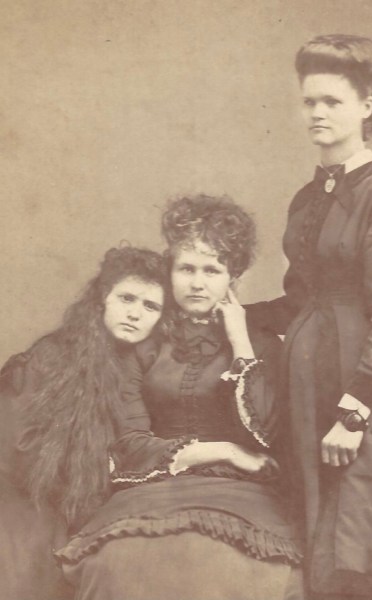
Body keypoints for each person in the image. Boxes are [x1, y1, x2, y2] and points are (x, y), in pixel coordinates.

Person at [245, 34, 372, 599]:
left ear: (367, 106)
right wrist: (229, 314)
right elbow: (297, 300)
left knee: (357, 552)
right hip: (315, 382)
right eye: (310, 101)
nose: (317, 112)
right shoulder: (307, 198)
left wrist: (353, 413)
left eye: (332, 101)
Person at [57, 195, 303, 600]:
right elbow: (129, 442)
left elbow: (266, 435)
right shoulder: (144, 343)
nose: (197, 283)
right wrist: (225, 450)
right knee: (118, 562)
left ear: (233, 277)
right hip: (153, 486)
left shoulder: (260, 344)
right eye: (187, 268)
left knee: (247, 568)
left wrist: (241, 342)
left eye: (212, 270)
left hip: (243, 492)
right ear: (170, 270)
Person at [0, 246, 166, 600]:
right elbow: (18, 447)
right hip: (33, 497)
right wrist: (97, 474)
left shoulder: (148, 368)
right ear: (103, 297)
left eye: (150, 306)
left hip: (98, 503)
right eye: (127, 298)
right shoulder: (52, 355)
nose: (135, 313)